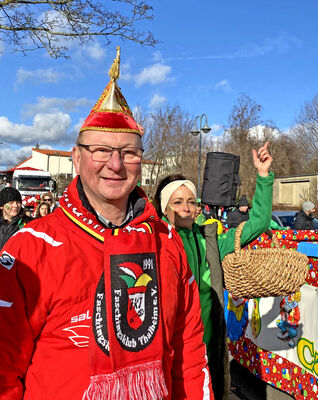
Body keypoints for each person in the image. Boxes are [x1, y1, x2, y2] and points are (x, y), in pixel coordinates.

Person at [0, 48, 213, 400]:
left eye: (129, 152)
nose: (115, 164)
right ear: (77, 157)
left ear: (141, 162)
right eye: (100, 150)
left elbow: (188, 353)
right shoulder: (30, 246)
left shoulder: (167, 242)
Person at [152, 142, 273, 399]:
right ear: (164, 208)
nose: (186, 207)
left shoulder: (211, 240)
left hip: (208, 347)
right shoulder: (153, 242)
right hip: (169, 349)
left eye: (191, 202)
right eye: (177, 202)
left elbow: (259, 223)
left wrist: (263, 178)